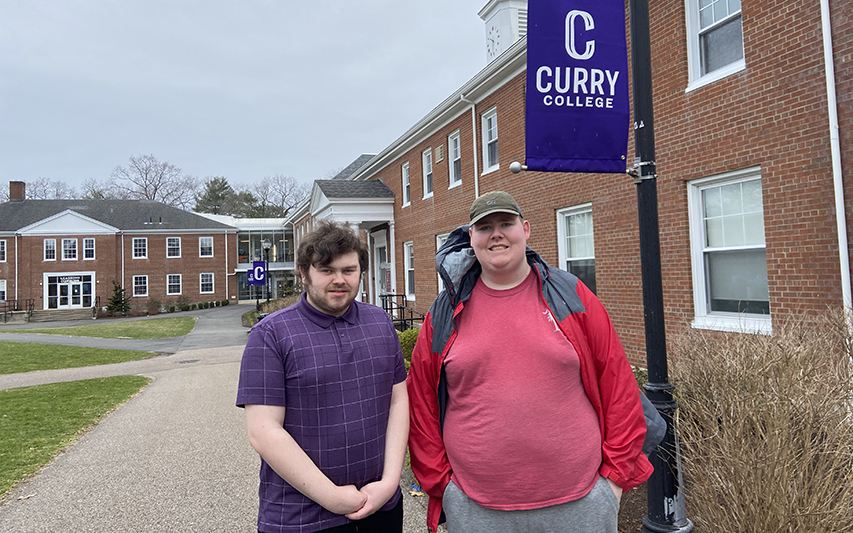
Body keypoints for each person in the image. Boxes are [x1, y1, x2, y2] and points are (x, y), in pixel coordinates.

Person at [407, 191, 662, 533]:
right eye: (484, 227)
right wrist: (443, 486)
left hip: (580, 501)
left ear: (525, 230)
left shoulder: (570, 294)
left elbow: (617, 385)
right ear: (471, 238)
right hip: (475, 506)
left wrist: (613, 482)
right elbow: (421, 402)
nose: (496, 234)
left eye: (506, 224)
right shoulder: (444, 312)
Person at [237, 220, 409, 533]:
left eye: (348, 270)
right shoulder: (271, 335)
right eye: (326, 270)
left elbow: (398, 400)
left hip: (381, 507)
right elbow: (263, 432)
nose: (339, 280)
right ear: (304, 273)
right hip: (301, 518)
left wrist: (390, 482)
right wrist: (332, 497)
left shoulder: (380, 322)